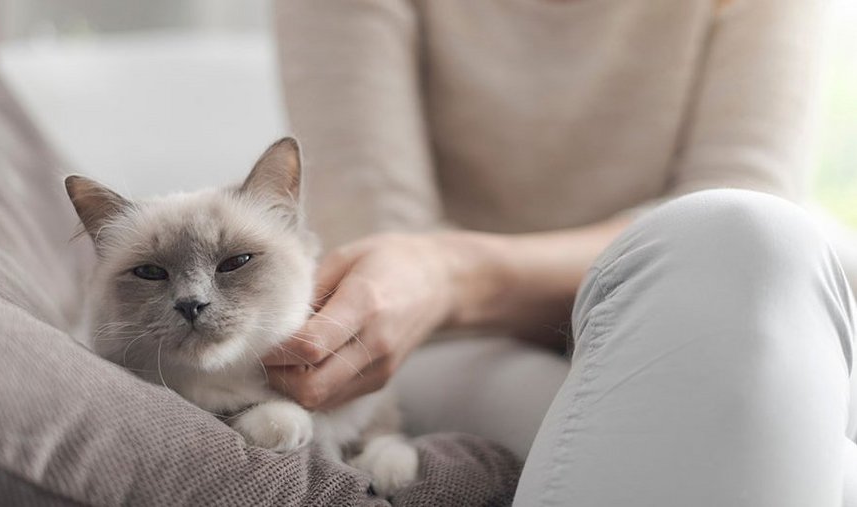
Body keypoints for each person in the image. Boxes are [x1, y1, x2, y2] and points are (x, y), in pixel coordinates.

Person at [262, 1, 857, 505]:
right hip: (444, 337)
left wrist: (454, 271)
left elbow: (743, 199)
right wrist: (441, 281)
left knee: (756, 239)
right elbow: (385, 249)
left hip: (685, 297)